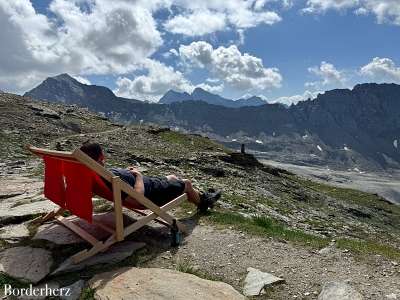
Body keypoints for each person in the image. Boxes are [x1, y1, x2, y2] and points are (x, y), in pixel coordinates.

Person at [80, 142, 221, 212]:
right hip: (151, 194)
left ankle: (204, 197)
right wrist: (139, 176)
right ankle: (203, 204)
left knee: (172, 176)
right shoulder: (106, 177)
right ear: (101, 157)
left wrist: (129, 173)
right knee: (187, 183)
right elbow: (137, 198)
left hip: (151, 185)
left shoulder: (92, 173)